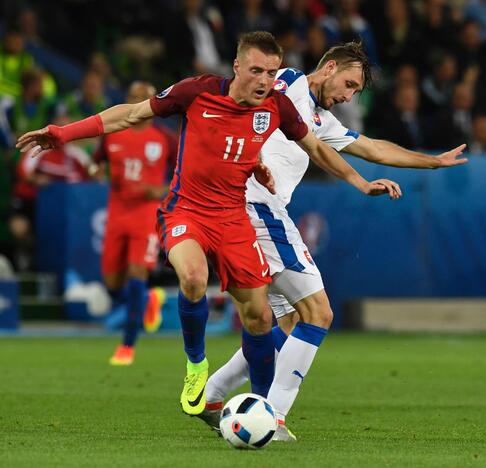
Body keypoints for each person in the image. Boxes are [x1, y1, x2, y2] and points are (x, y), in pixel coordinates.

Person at [16, 31, 400, 419]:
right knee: (195, 278)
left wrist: (358, 182)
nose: (264, 81)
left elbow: (315, 148)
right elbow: (130, 114)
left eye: (271, 73)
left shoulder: (277, 107)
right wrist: (63, 133)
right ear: (236, 67)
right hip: (187, 210)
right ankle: (196, 366)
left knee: (261, 318)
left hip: (234, 220)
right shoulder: (197, 92)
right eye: (256, 71)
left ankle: (259, 414)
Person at [199, 42, 468, 441]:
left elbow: (373, 148)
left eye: (356, 92)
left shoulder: (320, 119)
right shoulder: (288, 83)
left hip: (246, 212)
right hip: (259, 210)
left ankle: (214, 395)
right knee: (319, 313)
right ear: (327, 68)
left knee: (290, 325)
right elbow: (266, 96)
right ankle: (272, 419)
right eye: (348, 84)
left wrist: (432, 161)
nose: (348, 95)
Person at [91, 81, 177, 365]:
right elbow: (96, 163)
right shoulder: (112, 134)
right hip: (117, 212)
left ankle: (127, 346)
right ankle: (149, 300)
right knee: (112, 284)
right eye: (133, 97)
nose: (138, 102)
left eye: (144, 98)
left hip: (146, 214)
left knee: (136, 273)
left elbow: (186, 170)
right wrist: (98, 171)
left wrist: (164, 188)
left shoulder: (165, 138)